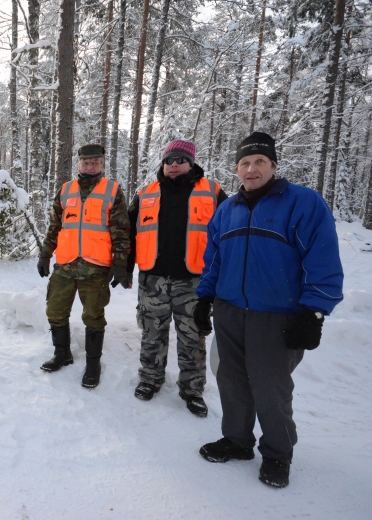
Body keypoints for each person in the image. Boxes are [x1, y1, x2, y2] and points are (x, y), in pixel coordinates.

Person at [195, 132, 344, 488]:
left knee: (269, 386)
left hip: (276, 315)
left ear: (274, 166)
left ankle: (278, 454)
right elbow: (213, 261)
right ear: (236, 169)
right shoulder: (226, 210)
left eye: (260, 161)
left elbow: (322, 261)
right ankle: (237, 440)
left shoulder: (303, 203)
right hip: (229, 310)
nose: (252, 169)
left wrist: (314, 313)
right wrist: (204, 297)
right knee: (230, 379)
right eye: (245, 163)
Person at [127, 140, 227, 417]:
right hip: (153, 279)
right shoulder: (146, 193)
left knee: (193, 337)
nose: (173, 164)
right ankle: (150, 379)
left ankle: (192, 390)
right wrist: (124, 268)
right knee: (151, 334)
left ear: (191, 162)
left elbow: (229, 237)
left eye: (180, 159)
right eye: (169, 159)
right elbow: (129, 233)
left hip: (194, 282)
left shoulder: (213, 192)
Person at [37, 144, 131, 388]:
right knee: (55, 311)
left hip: (96, 267)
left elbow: (121, 231)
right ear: (78, 164)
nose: (90, 166)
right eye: (86, 162)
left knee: (93, 316)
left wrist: (120, 264)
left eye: (95, 162)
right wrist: (45, 254)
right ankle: (62, 353)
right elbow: (54, 227)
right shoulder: (66, 190)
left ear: (101, 165)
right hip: (65, 264)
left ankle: (93, 363)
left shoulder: (112, 191)